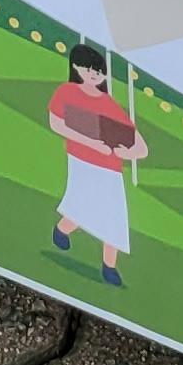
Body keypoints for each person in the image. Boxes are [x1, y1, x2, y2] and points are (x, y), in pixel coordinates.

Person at [47, 43, 145, 289]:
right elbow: (57, 123)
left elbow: (140, 146)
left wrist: (125, 152)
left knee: (114, 215)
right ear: (76, 67)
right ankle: (62, 229)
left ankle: (109, 266)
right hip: (82, 160)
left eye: (98, 71)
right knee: (83, 204)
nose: (94, 75)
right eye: (88, 69)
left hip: (110, 169)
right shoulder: (67, 92)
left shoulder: (108, 104)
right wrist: (91, 143)